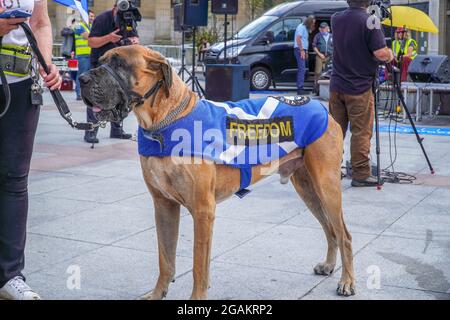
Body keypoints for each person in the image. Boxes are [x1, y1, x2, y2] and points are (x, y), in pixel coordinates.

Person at [0, 0, 62, 300]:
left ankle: (10, 275)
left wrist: (46, 60)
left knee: (14, 181)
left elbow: (41, 22)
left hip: (22, 84)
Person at [329, 0, 394, 187]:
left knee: (335, 132)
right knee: (361, 132)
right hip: (359, 88)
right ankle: (361, 173)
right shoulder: (371, 20)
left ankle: (331, 170)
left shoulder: (336, 18)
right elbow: (381, 53)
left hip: (337, 86)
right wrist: (390, 53)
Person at [84, 0, 139, 144]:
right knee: (95, 96)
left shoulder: (129, 18)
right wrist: (110, 38)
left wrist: (134, 41)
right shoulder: (103, 19)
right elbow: (91, 42)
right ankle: (91, 130)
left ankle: (116, 129)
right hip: (100, 63)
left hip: (119, 65)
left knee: (120, 97)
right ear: (115, 8)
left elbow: (135, 37)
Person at [74, 10, 95, 101]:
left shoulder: (91, 26)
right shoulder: (78, 25)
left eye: (93, 16)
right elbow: (86, 36)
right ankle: (79, 93)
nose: (92, 18)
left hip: (91, 54)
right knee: (82, 74)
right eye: (90, 16)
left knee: (90, 76)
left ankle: (88, 94)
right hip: (82, 55)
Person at [294, 15, 316, 95]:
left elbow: (304, 41)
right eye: (313, 23)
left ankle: (301, 88)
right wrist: (302, 50)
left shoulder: (306, 29)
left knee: (302, 69)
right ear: (309, 22)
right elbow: (298, 39)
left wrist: (305, 51)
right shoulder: (301, 27)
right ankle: (300, 90)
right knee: (301, 69)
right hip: (299, 50)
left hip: (302, 50)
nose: (313, 24)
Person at [312, 22, 333, 95]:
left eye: (324, 28)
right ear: (320, 29)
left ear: (328, 28)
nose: (323, 29)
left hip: (329, 57)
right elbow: (314, 46)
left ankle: (326, 90)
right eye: (322, 28)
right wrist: (319, 54)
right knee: (318, 73)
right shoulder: (317, 36)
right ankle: (316, 90)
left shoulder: (331, 36)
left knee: (327, 73)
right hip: (320, 56)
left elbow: (335, 46)